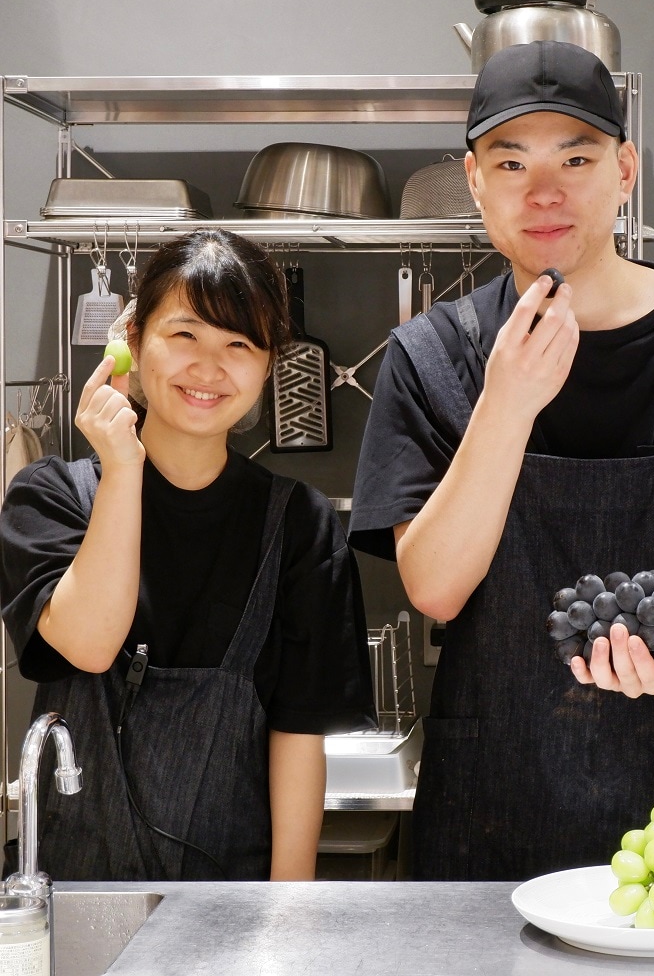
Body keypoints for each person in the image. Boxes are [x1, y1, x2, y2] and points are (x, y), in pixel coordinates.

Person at [349, 40, 654, 881]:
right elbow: (435, 587)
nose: (545, 191)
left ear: (624, 169)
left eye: (576, 158)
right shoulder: (428, 357)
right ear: (474, 181)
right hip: (491, 802)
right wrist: (506, 401)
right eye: (512, 162)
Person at [1, 228, 375, 881]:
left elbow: (298, 734)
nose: (208, 368)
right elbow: (89, 645)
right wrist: (122, 468)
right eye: (185, 335)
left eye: (239, 344)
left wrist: (287, 913)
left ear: (268, 364)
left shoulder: (300, 525)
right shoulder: (50, 497)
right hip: (76, 896)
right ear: (132, 338)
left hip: (232, 901)